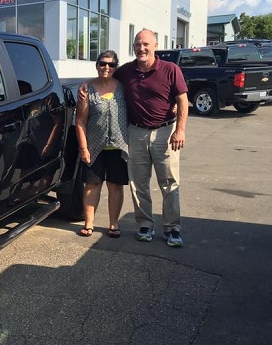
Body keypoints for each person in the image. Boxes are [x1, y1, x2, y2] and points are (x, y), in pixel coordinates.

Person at [115, 29, 188, 247]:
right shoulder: (126, 71)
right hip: (136, 132)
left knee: (169, 182)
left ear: (155, 45)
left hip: (165, 132)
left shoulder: (170, 69)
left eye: (146, 44)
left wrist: (180, 129)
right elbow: (106, 78)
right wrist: (86, 85)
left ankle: (172, 229)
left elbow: (182, 100)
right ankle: (145, 225)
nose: (141, 48)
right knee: (138, 183)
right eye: (137, 44)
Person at [75, 50, 129, 238]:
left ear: (116, 67)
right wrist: (83, 148)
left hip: (119, 146)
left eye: (111, 64)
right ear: (97, 65)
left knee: (115, 185)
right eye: (102, 63)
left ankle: (113, 224)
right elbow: (80, 121)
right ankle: (89, 223)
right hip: (94, 147)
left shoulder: (123, 87)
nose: (106, 67)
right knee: (92, 184)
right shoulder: (87, 89)